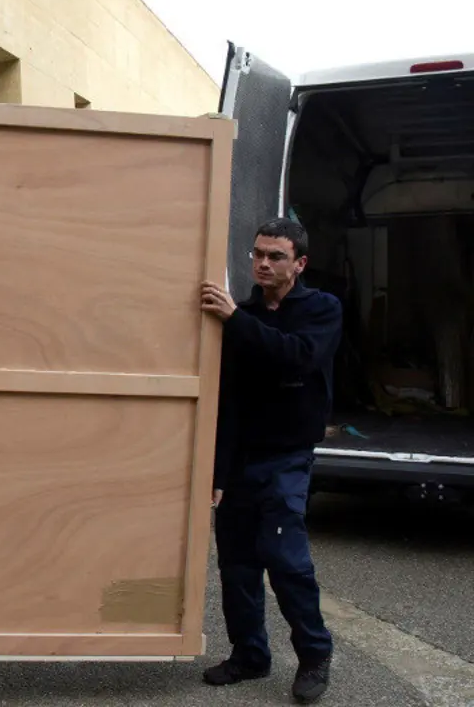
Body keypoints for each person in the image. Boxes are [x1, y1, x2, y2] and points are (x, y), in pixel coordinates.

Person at [200, 217, 342, 705]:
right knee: (237, 565)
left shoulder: (321, 310)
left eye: (275, 256)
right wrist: (218, 472)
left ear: (299, 263)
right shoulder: (240, 311)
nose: (263, 263)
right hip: (242, 460)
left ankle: (315, 654)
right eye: (257, 254)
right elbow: (230, 401)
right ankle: (250, 656)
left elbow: (298, 356)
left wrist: (236, 321)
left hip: (287, 458)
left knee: (286, 561)